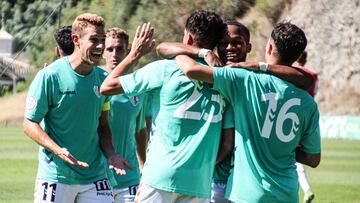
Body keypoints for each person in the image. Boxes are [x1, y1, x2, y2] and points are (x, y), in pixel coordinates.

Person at [156, 20, 316, 203]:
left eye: (237, 42)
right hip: (210, 181)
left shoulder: (252, 79)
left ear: (249, 46)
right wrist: (202, 52)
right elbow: (162, 48)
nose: (230, 47)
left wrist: (258, 66)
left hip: (232, 185)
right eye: (224, 43)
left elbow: (306, 80)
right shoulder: (216, 71)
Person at [100, 10, 235, 202]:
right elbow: (227, 144)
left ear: (187, 37)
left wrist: (133, 55)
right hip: (199, 182)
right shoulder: (224, 79)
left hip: (160, 178)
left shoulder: (165, 69)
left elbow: (107, 86)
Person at [23, 13, 131, 203]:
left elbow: (103, 125)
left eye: (102, 40)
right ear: (76, 40)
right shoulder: (50, 76)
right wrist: (57, 150)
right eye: (93, 40)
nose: (100, 46)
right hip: (56, 176)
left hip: (95, 176)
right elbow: (29, 123)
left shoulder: (102, 78)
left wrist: (111, 154)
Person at [102, 27, 149, 203]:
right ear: (103, 51)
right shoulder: (95, 81)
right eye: (109, 49)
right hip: (98, 175)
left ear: (128, 49)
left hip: (129, 175)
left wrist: (144, 165)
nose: (114, 54)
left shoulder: (139, 85)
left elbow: (140, 130)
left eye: (120, 49)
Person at [293, 51, 318, 203]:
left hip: (291, 117)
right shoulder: (313, 75)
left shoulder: (291, 73)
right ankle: (305, 189)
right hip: (308, 117)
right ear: (306, 59)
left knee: (291, 154)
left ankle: (306, 189)